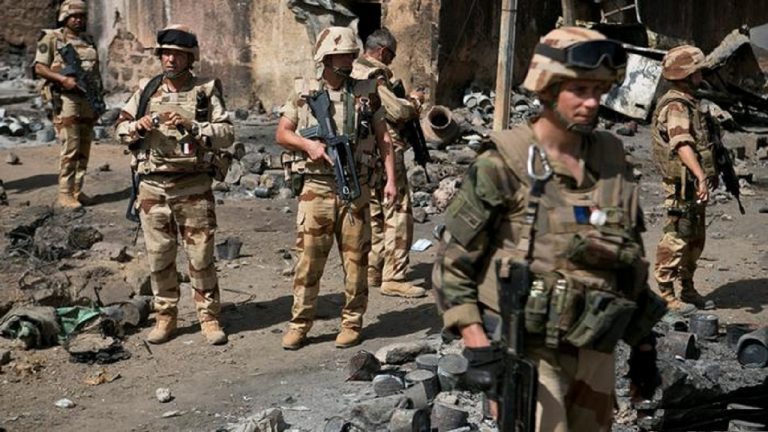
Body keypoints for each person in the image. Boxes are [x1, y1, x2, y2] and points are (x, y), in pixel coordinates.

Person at [433, 27, 666, 430]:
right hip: (530, 354)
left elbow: (627, 260)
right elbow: (452, 265)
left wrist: (644, 346)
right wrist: (479, 348)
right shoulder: (504, 162)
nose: (592, 102)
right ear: (547, 88)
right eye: (579, 90)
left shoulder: (611, 157)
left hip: (596, 347)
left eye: (599, 90)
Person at [276, 26, 397, 350]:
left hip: (355, 187)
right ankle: (300, 325)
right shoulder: (304, 91)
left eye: (350, 54)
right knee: (308, 263)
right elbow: (282, 133)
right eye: (342, 55)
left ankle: (352, 323)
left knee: (356, 263)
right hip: (315, 188)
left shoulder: (366, 92)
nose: (349, 59)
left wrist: (391, 181)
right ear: (326, 58)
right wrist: (309, 145)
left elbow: (384, 138)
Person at [115, 25, 234, 345]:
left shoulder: (205, 90)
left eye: (177, 55)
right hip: (153, 187)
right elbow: (119, 129)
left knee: (201, 256)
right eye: (166, 53)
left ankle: (208, 317)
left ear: (190, 58)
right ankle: (165, 316)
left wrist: (193, 126)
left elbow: (226, 133)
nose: (170, 59)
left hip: (192, 186)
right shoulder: (147, 89)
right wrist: (137, 127)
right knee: (159, 256)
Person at [350, 28, 426, 298]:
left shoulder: (350, 71)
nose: (391, 61)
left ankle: (373, 269)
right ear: (382, 52)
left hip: (362, 151)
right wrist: (415, 102)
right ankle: (394, 276)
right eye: (391, 56)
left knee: (375, 212)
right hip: (385, 149)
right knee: (398, 210)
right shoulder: (374, 75)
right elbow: (396, 111)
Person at [652, 45, 716, 314]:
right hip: (681, 184)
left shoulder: (689, 102)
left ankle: (687, 288)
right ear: (686, 75)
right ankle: (665, 294)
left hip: (690, 184)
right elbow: (682, 144)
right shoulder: (676, 105)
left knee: (695, 239)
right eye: (697, 72)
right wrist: (700, 176)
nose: (701, 77)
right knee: (677, 236)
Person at [33, 0, 101, 209]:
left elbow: (95, 73)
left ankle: (77, 190)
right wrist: (62, 79)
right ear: (64, 17)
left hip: (87, 98)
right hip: (66, 99)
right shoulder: (52, 37)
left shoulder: (88, 40)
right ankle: (65, 193)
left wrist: (98, 99)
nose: (78, 20)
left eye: (82, 16)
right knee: (71, 146)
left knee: (84, 146)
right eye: (74, 16)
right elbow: (39, 68)